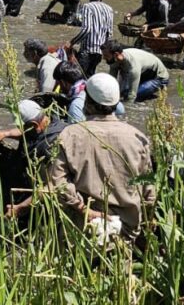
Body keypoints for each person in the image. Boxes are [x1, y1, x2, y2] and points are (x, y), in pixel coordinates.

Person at [47, 70, 155, 241]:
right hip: (126, 231)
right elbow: (149, 194)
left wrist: (84, 210)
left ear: (87, 101)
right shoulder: (138, 138)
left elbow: (58, 183)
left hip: (84, 227)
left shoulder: (70, 134)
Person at [0, 99, 70, 220]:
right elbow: (26, 132)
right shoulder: (48, 120)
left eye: (22, 127)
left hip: (45, 200)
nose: (21, 130)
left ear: (33, 125)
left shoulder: (52, 145)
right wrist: (6, 134)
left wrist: (20, 208)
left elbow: (51, 187)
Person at [70, 0, 114, 76]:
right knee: (89, 75)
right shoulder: (109, 9)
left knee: (79, 76)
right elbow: (109, 33)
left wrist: (72, 42)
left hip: (88, 50)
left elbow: (87, 29)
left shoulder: (87, 7)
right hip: (100, 52)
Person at [102, 40, 169, 102]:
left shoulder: (133, 67)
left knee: (132, 96)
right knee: (122, 92)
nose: (103, 58)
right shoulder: (114, 60)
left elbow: (132, 96)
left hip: (159, 78)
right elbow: (111, 82)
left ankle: (149, 94)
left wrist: (126, 109)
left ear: (116, 54)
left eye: (106, 56)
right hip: (143, 73)